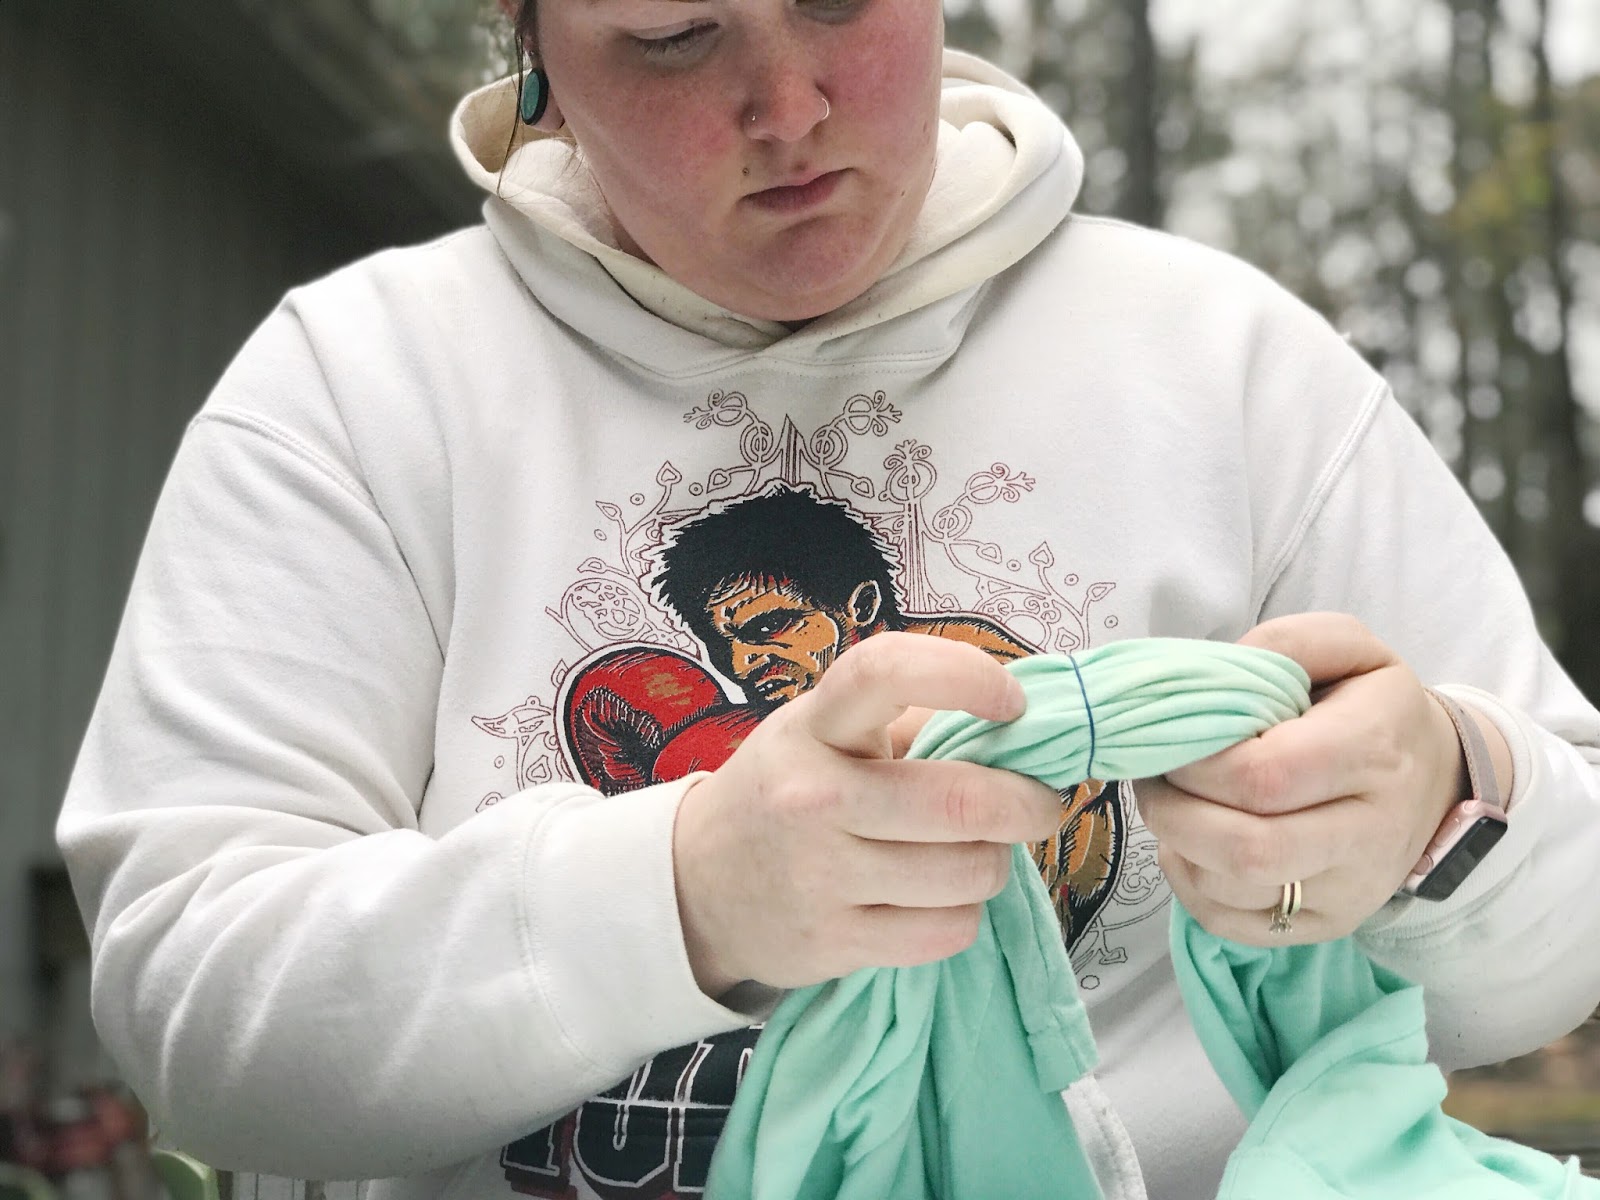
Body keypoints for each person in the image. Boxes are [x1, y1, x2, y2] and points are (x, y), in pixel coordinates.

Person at [55, 1, 1600, 1198]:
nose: (785, 109)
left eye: (843, 3)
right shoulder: (357, 392)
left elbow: (1563, 936)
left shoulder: (1226, 366)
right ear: (531, 46)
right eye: (671, 35)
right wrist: (687, 889)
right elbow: (193, 1009)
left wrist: (1443, 807)